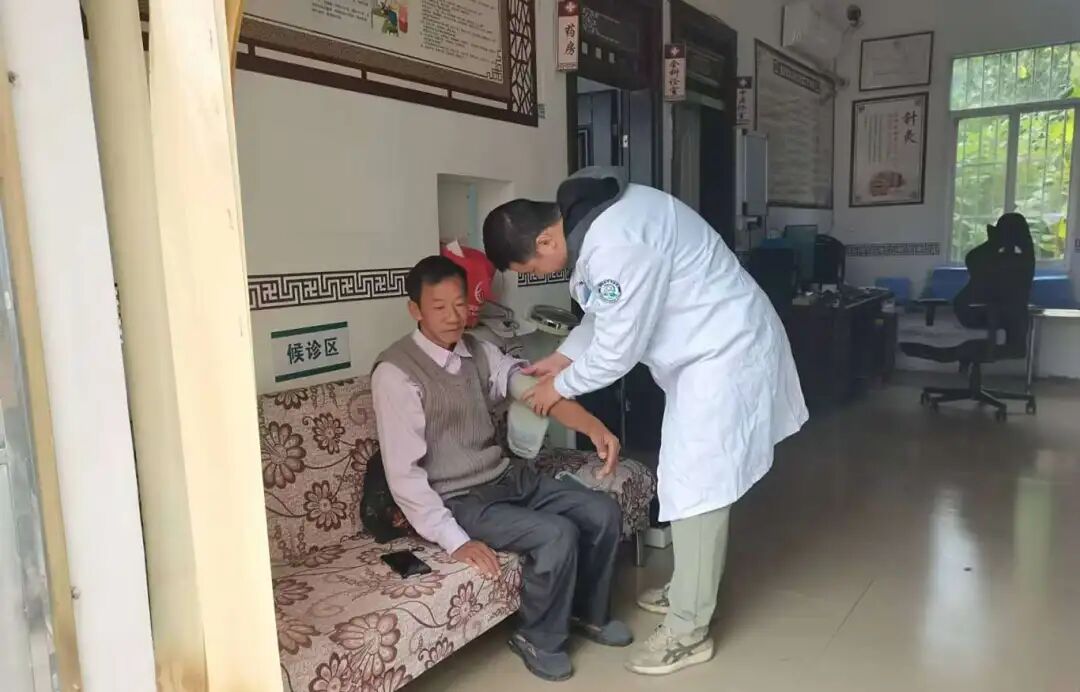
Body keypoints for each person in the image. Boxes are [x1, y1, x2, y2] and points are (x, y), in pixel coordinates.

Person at [482, 167, 809, 676]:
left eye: (532, 267)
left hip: (725, 353)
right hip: (705, 354)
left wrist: (558, 388)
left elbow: (618, 349)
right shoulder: (591, 220)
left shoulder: (615, 243)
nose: (538, 274)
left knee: (699, 486)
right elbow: (602, 314)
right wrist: (562, 359)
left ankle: (688, 630)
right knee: (682, 477)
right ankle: (688, 588)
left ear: (545, 239)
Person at [371, 256, 633, 682]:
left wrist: (593, 428)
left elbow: (533, 391)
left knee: (601, 511)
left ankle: (588, 612)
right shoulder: (396, 373)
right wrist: (454, 540)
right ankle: (537, 638)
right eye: (439, 307)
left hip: (505, 477)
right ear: (415, 309)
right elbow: (404, 475)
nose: (454, 317)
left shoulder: (478, 350)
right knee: (556, 534)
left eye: (460, 304)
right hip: (459, 499)